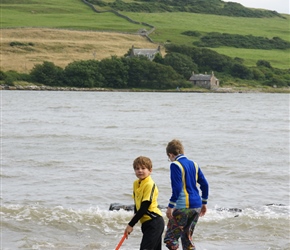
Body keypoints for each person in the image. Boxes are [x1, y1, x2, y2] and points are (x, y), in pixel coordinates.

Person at [164, 139, 209, 250]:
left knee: (170, 239)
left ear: (170, 154)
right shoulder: (194, 164)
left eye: (168, 158)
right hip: (196, 206)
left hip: (183, 206)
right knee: (187, 239)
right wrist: (204, 203)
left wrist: (170, 206)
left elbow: (177, 188)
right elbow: (205, 184)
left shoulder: (175, 165)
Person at [124, 156, 165, 250]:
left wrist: (131, 224)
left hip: (154, 222)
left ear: (150, 170)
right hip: (146, 224)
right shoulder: (136, 184)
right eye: (137, 168)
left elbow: (144, 207)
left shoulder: (149, 184)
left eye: (143, 168)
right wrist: (133, 221)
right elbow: (137, 206)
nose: (140, 171)